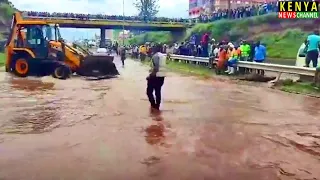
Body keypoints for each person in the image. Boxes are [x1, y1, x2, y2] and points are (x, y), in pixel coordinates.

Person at [146, 44, 166, 110]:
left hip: (155, 76)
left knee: (149, 91)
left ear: (155, 49)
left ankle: (153, 105)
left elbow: (156, 68)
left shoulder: (156, 56)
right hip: (162, 76)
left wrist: (150, 76)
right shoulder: (163, 56)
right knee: (158, 91)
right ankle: (157, 106)